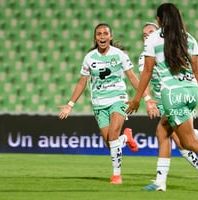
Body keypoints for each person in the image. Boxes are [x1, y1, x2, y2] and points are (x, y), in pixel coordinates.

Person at [127, 3, 198, 191]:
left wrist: (138, 98)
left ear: (159, 20)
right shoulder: (190, 39)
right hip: (191, 92)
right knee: (163, 132)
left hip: (172, 94)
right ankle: (160, 182)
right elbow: (197, 71)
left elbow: (147, 71)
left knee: (188, 142)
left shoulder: (153, 39)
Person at [58, 23, 155, 184]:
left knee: (113, 136)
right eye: (99, 34)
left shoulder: (119, 55)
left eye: (105, 34)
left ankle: (117, 175)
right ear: (95, 38)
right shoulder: (89, 58)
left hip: (118, 99)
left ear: (111, 36)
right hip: (99, 103)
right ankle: (126, 138)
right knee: (111, 145)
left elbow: (132, 77)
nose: (102, 37)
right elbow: (82, 82)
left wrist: (146, 98)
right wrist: (70, 104)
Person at [138, 23, 198, 191]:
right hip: (162, 100)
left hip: (174, 97)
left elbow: (190, 70)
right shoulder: (144, 57)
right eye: (144, 34)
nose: (147, 36)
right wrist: (148, 100)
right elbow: (145, 78)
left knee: (179, 141)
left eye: (150, 32)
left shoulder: (168, 50)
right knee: (179, 140)